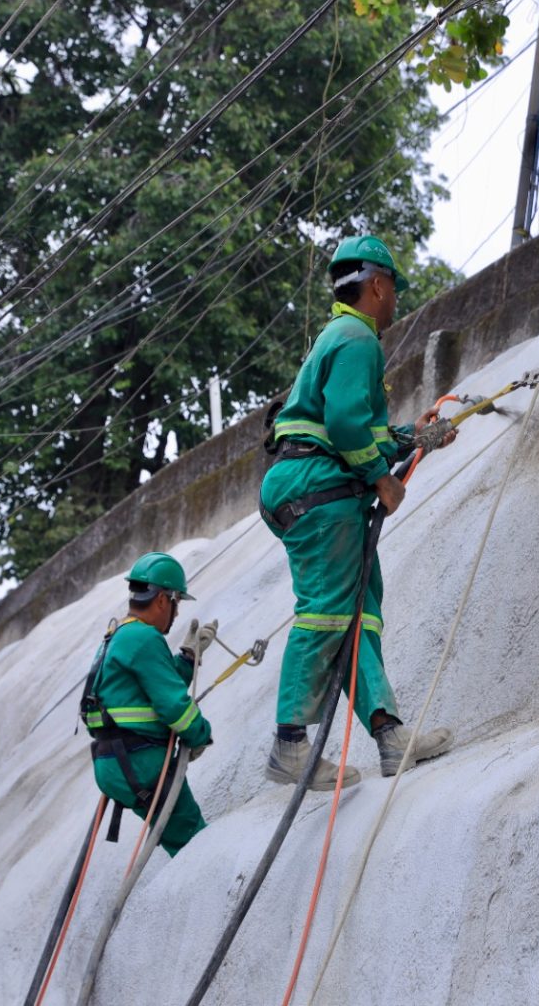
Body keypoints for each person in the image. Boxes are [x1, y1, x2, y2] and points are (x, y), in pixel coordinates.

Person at [259, 234, 456, 791]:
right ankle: (289, 744)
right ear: (377, 285)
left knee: (357, 611)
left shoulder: (340, 339)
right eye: (393, 287)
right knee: (326, 610)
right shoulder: (356, 339)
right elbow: (345, 428)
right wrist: (382, 481)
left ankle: (389, 734)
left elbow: (355, 428)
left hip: (312, 484)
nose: (396, 300)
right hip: (316, 487)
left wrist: (413, 438)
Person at [84, 551, 217, 855]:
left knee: (178, 839)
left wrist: (188, 658)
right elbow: (172, 706)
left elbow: (152, 685)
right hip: (140, 760)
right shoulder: (145, 638)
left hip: (113, 761)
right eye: (176, 603)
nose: (177, 613)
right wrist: (200, 734)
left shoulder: (118, 636)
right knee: (194, 843)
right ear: (161, 600)